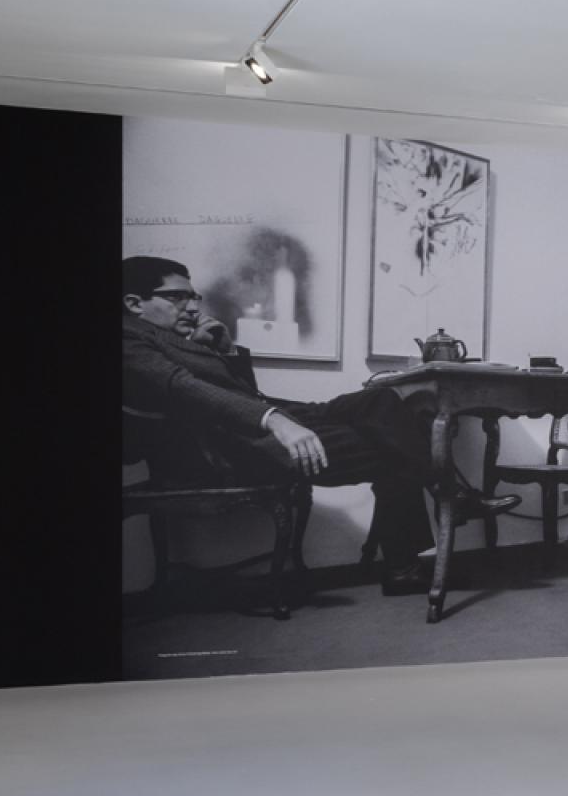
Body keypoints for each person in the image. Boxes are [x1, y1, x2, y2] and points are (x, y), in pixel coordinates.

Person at [120, 256, 510, 598]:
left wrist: (225, 351)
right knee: (398, 445)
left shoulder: (175, 339)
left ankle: (430, 527)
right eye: (178, 297)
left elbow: (243, 392)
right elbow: (184, 388)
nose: (192, 306)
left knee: (382, 401)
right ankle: (425, 536)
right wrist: (275, 421)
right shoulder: (129, 341)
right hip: (238, 445)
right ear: (134, 303)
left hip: (273, 417)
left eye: (194, 297)